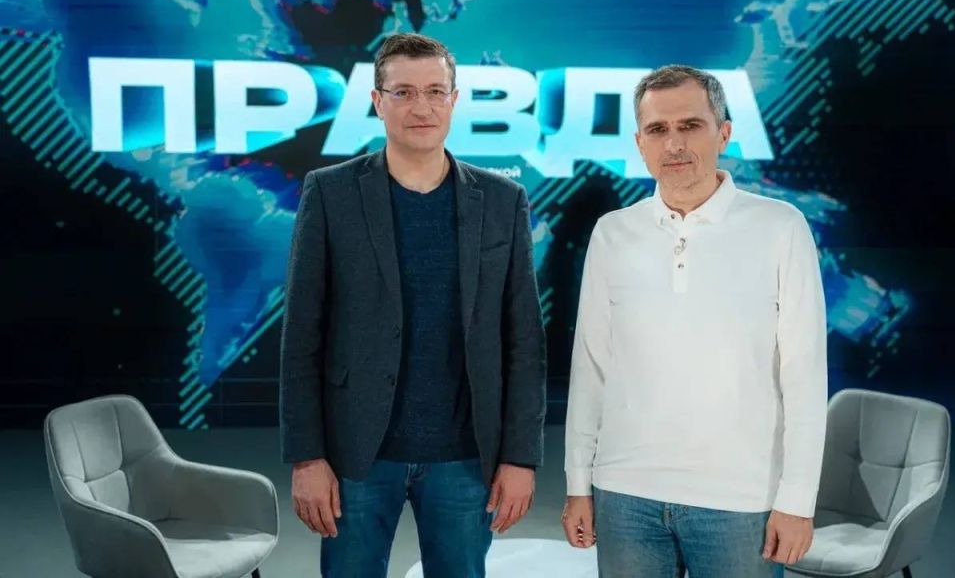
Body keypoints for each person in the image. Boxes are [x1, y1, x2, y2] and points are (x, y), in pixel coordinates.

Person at [280, 33, 547, 578]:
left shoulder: (503, 200)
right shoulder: (329, 193)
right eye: (402, 92)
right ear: (378, 102)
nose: (420, 107)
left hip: (466, 457)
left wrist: (520, 457)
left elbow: (523, 340)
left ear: (454, 99)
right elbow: (302, 335)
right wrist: (307, 457)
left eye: (434, 91)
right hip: (356, 455)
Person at [562, 65, 828, 578]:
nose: (674, 144)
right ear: (640, 143)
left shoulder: (780, 227)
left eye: (690, 125)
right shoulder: (613, 233)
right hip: (624, 494)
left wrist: (797, 499)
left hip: (740, 499)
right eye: (658, 129)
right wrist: (578, 484)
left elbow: (804, 375)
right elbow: (591, 369)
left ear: (723, 133)